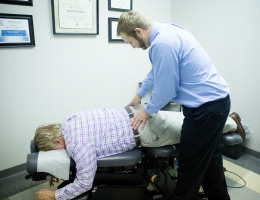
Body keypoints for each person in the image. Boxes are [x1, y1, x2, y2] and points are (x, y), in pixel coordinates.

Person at [117, 11, 232, 200]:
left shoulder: (162, 44)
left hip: (206, 110)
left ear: (138, 31)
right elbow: (157, 71)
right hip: (216, 103)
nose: (132, 47)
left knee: (190, 166)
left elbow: (166, 90)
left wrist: (146, 111)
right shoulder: (169, 30)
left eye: (129, 42)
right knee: (211, 162)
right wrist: (138, 96)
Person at [34, 104, 244, 200]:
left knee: (199, 128)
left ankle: (232, 123)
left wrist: (55, 195)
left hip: (147, 133)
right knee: (185, 120)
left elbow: (84, 182)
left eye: (54, 150)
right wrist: (58, 169)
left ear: (57, 140)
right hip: (139, 114)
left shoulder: (77, 145)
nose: (58, 152)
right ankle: (229, 120)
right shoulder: (70, 120)